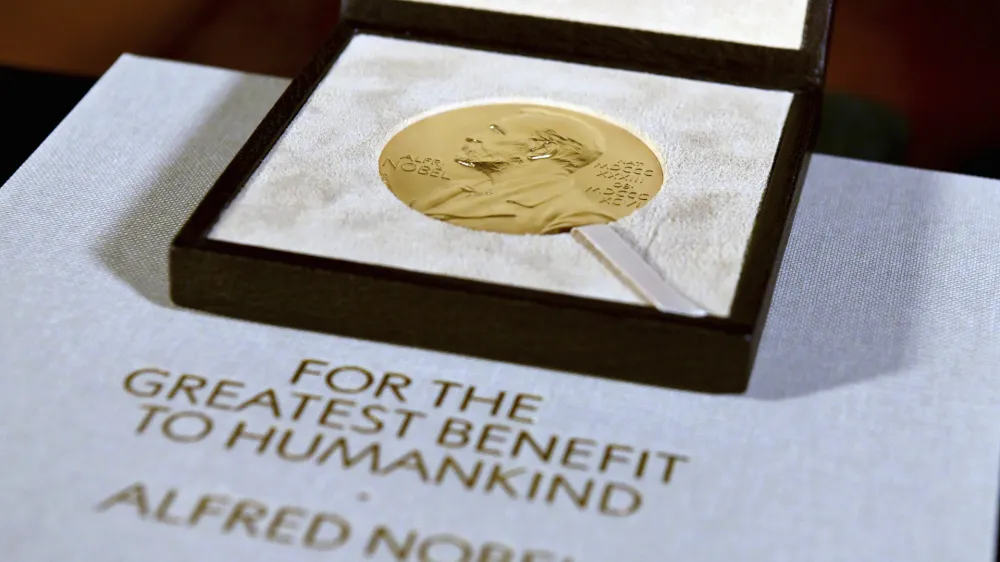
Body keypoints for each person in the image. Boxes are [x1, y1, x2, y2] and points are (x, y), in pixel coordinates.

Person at [409, 108, 616, 235]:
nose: (473, 137)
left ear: (541, 148)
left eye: (497, 132)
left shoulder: (577, 217)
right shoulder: (452, 192)